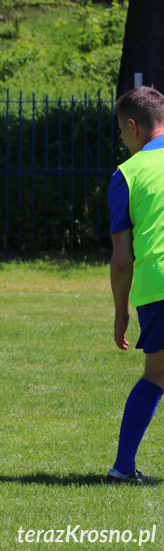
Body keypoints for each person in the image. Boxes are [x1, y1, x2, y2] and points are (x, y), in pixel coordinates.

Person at [106, 86, 164, 483]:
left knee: (157, 375)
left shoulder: (126, 175)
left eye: (122, 134)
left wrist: (120, 313)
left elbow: (122, 259)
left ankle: (123, 468)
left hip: (156, 284)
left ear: (132, 126)